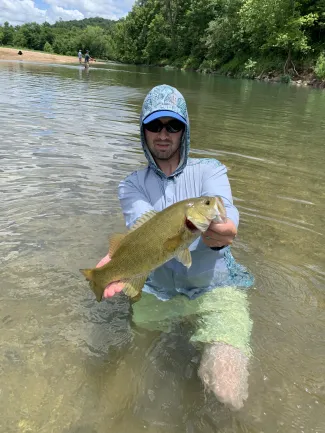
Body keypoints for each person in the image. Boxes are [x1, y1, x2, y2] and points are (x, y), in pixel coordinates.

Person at [96, 84, 254, 410]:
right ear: (144, 132)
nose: (163, 134)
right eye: (154, 126)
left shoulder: (211, 170)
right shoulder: (131, 185)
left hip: (214, 290)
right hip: (156, 291)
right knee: (125, 378)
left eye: (173, 125)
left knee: (228, 390)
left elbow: (225, 211)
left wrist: (222, 230)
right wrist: (118, 259)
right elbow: (146, 230)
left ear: (185, 130)